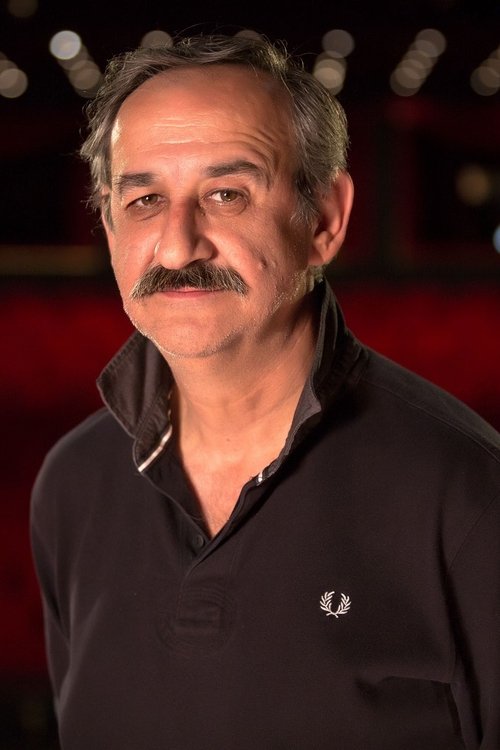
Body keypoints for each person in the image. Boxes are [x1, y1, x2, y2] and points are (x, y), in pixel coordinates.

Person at [31, 34, 500, 749]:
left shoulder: (468, 492)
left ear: (325, 220)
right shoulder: (71, 485)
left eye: (227, 194)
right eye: (146, 199)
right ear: (108, 224)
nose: (178, 245)